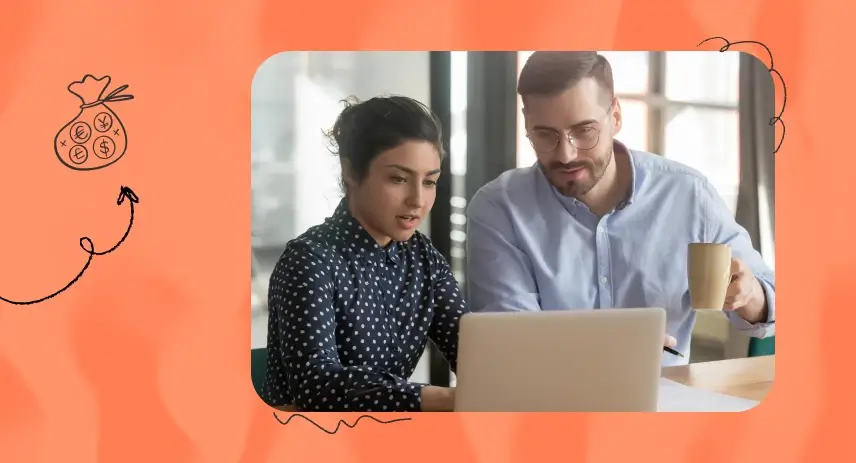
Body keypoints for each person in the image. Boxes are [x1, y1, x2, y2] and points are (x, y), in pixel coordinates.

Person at [465, 51, 775, 365]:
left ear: (615, 116)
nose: (566, 154)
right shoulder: (499, 209)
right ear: (526, 122)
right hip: (549, 394)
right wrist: (610, 347)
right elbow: (511, 343)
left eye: (584, 131)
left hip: (666, 394)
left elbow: (774, 303)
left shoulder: (688, 195)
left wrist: (750, 295)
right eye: (545, 135)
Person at [261, 95, 465, 412]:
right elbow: (316, 386)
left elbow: (473, 352)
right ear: (351, 173)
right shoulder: (309, 259)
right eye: (398, 179)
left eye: (429, 182)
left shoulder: (423, 258)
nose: (417, 200)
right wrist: (440, 398)